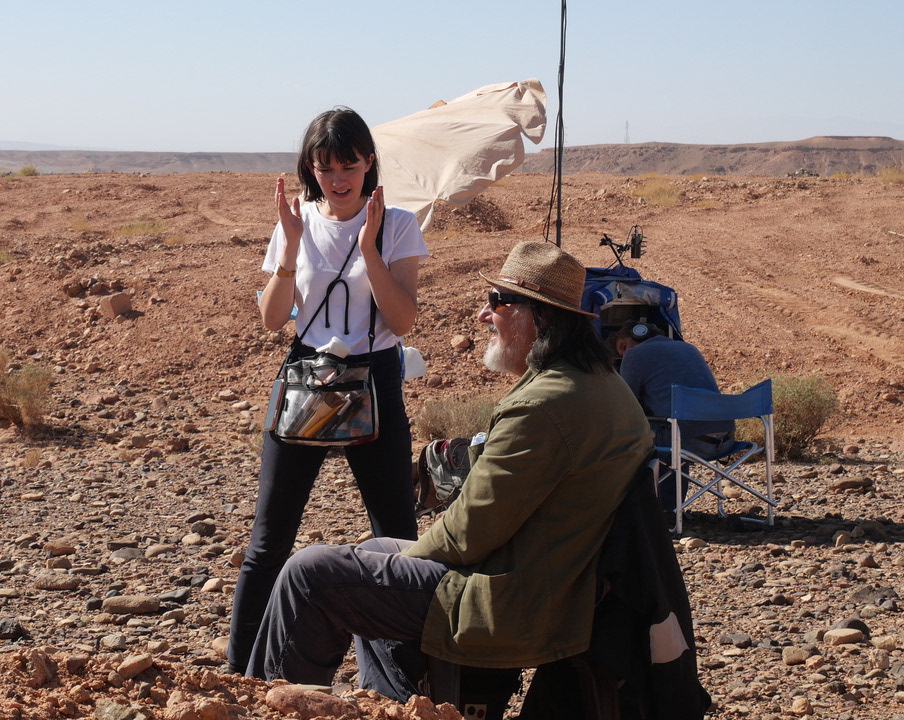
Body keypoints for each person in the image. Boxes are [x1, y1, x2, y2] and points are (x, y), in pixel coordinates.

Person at [245, 241, 653, 709]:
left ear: (539, 318)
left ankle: (263, 709)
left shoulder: (541, 405)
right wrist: (396, 562)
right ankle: (397, 706)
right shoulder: (602, 385)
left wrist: (407, 562)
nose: (483, 315)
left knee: (311, 573)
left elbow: (467, 535)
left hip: (513, 598)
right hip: (560, 585)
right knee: (374, 553)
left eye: (498, 302)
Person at [226, 107, 429, 674]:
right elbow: (272, 319)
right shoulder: (296, 223)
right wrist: (290, 249)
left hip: (375, 376)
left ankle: (405, 684)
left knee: (397, 537)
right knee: (268, 541)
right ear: (309, 168)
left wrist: (369, 250)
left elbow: (403, 320)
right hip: (306, 379)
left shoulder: (397, 225)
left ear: (369, 163)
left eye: (349, 165)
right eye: (326, 167)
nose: (338, 179)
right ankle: (239, 677)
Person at [612, 319, 735, 510]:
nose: (623, 354)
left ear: (637, 334)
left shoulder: (635, 354)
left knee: (634, 433)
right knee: (676, 426)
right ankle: (670, 506)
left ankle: (651, 508)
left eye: (623, 346)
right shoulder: (689, 348)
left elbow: (626, 405)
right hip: (726, 441)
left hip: (688, 442)